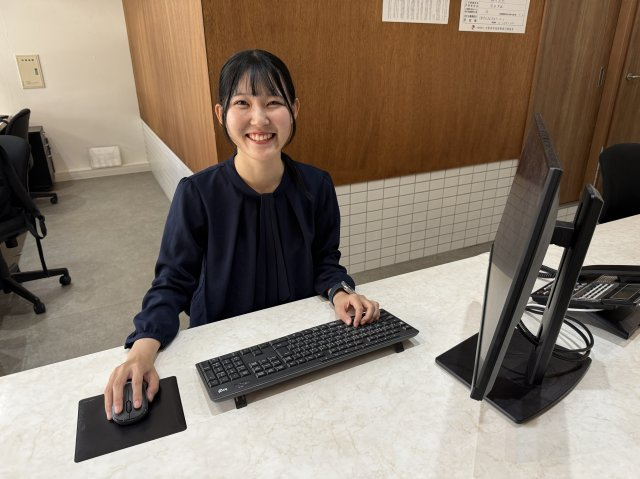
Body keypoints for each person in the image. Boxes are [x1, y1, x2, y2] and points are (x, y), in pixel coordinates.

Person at [104, 49, 380, 419]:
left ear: (294, 110)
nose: (259, 118)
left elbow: (325, 261)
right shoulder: (197, 194)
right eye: (243, 103)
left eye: (273, 102)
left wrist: (340, 291)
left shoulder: (316, 185)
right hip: (225, 356)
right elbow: (172, 282)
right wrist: (141, 352)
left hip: (302, 345)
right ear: (221, 113)